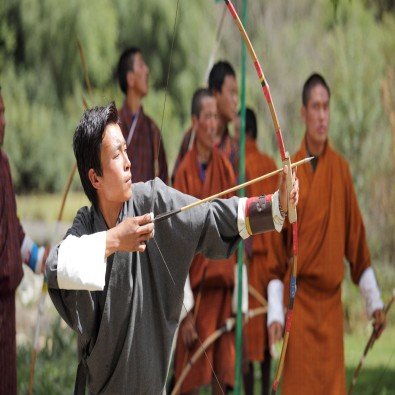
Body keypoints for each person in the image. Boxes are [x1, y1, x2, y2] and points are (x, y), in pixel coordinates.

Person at [46, 102, 298, 394]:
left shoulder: (152, 201)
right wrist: (116, 239)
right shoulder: (87, 225)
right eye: (117, 155)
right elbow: (55, 267)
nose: (128, 162)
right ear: (95, 178)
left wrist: (275, 206)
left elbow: (207, 215)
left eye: (126, 150)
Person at [267, 73, 386, 395]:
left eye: (326, 107)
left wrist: (373, 303)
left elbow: (357, 248)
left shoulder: (342, 171)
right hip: (299, 308)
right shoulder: (290, 175)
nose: (322, 115)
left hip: (331, 311)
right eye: (315, 107)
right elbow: (276, 257)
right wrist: (276, 314)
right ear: (304, 113)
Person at [172, 88, 238, 394]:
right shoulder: (183, 173)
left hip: (222, 293)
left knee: (221, 377)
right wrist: (185, 314)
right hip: (195, 295)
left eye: (216, 118)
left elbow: (236, 224)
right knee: (187, 378)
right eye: (208, 117)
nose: (213, 124)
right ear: (195, 121)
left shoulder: (225, 167)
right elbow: (176, 243)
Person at [0, 87, 48, 394]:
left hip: (5, 306)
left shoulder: (3, 163)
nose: (3, 121)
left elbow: (12, 228)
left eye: (3, 111)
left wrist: (38, 258)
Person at [238, 108, 279, 395]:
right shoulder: (269, 163)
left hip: (251, 261)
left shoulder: (243, 166)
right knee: (265, 338)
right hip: (271, 259)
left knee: (251, 336)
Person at [172, 61, 239, 182]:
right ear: (215, 94)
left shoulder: (234, 149)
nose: (236, 100)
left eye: (237, 94)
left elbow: (236, 196)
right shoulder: (192, 137)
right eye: (231, 93)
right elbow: (176, 185)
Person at [117, 47, 168, 183]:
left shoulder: (152, 129)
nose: (147, 70)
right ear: (130, 78)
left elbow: (163, 178)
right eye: (141, 65)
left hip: (145, 204)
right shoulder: (112, 125)